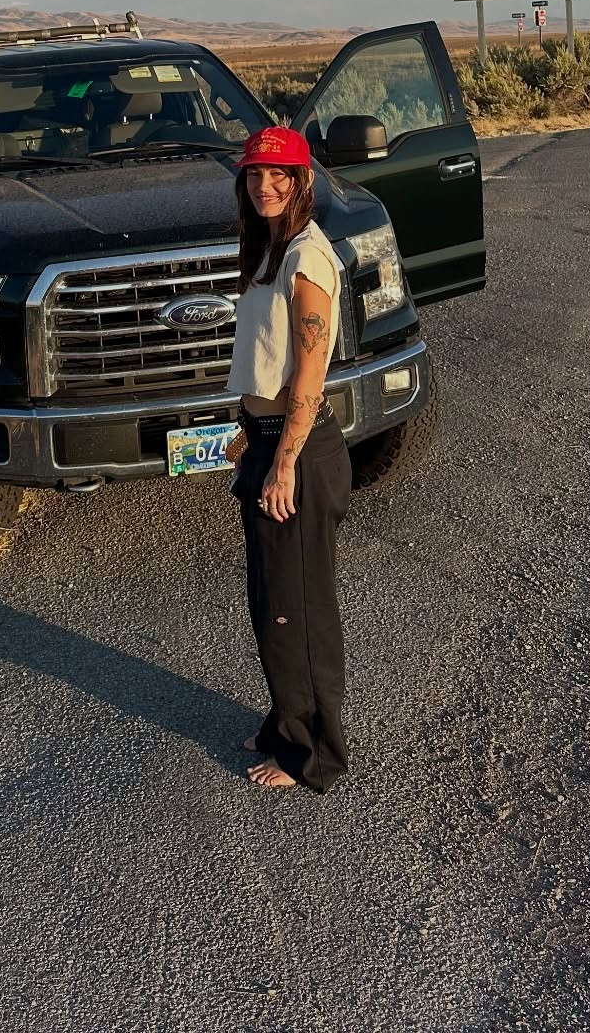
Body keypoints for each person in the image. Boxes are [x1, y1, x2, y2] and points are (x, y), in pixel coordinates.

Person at [225, 124, 355, 793]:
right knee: (270, 602)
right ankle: (284, 722)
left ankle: (316, 755)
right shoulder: (269, 249)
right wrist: (248, 430)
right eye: (254, 175)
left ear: (303, 181)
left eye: (279, 175)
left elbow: (308, 375)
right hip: (269, 441)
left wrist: (282, 465)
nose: (265, 185)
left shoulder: (307, 258)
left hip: (299, 454)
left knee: (299, 614)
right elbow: (267, 361)